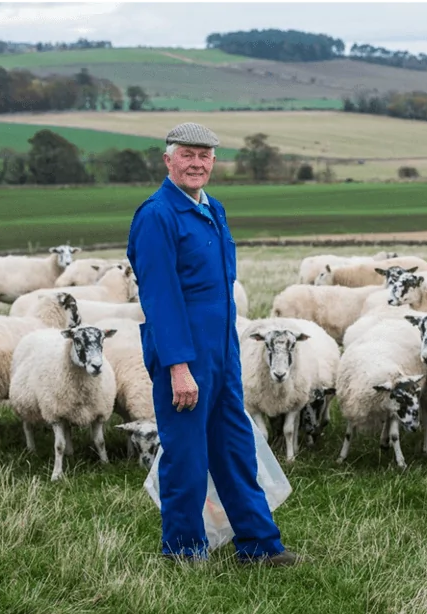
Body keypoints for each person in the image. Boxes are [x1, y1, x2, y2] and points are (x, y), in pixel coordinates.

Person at [126, 122, 304, 566]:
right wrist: (178, 367)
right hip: (183, 355)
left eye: (204, 156)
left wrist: (229, 353)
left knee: (236, 448)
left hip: (222, 352)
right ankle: (183, 550)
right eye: (187, 154)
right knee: (186, 454)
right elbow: (161, 298)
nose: (197, 163)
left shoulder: (213, 209)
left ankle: (259, 546)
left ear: (213, 162)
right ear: (168, 160)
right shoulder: (157, 215)